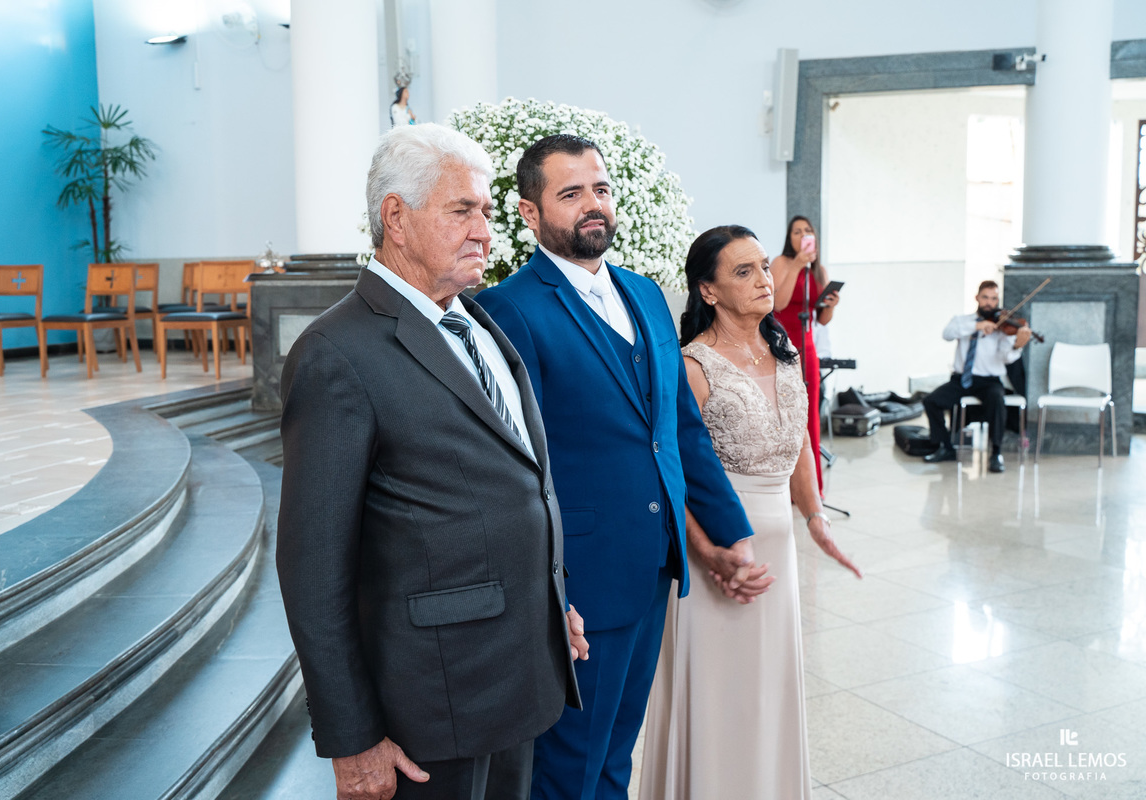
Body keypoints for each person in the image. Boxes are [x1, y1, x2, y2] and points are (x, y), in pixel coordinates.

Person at [276, 123, 587, 800]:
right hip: (431, 707)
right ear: (396, 216)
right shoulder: (337, 354)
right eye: (462, 211)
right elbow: (312, 566)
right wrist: (351, 736)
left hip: (518, 677)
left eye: (487, 211)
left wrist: (549, 602)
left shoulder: (477, 322)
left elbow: (514, 486)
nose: (486, 231)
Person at [475, 135, 769, 800]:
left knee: (615, 755)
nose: (593, 204)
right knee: (569, 766)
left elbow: (679, 429)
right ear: (528, 212)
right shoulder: (509, 310)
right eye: (571, 193)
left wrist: (730, 530)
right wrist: (549, 588)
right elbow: (520, 466)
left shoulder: (644, 294)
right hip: (578, 575)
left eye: (600, 189)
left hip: (651, 566)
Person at [640, 224, 863, 800]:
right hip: (715, 554)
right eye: (744, 271)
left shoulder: (785, 353)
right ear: (707, 291)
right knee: (720, 696)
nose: (765, 279)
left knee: (769, 691)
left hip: (778, 552)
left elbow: (798, 448)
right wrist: (706, 551)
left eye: (764, 266)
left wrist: (815, 519)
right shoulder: (692, 366)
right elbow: (671, 476)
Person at [922, 280, 1033, 473]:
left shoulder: (1003, 328)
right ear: (977, 298)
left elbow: (1005, 358)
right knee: (931, 401)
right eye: (986, 297)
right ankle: (945, 447)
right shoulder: (962, 321)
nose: (989, 302)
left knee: (998, 400)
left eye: (994, 298)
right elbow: (947, 334)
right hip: (961, 380)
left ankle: (996, 453)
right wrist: (978, 326)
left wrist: (1017, 346)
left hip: (989, 381)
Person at [770, 215, 838, 495]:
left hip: (808, 344)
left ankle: (811, 490)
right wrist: (798, 264)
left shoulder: (818, 270)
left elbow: (822, 319)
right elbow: (778, 303)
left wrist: (832, 305)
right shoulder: (781, 263)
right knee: (786, 415)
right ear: (790, 238)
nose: (802, 235)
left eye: (807, 231)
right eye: (796, 231)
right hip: (782, 342)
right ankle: (786, 487)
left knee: (811, 414)